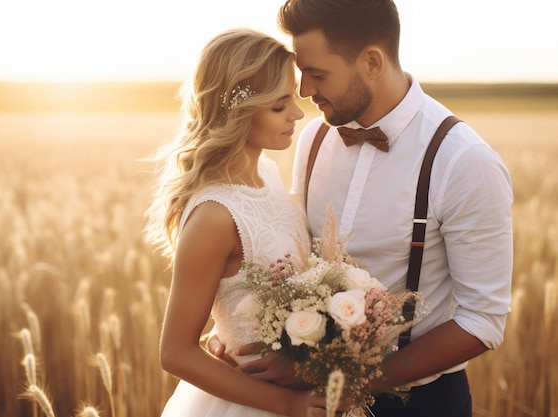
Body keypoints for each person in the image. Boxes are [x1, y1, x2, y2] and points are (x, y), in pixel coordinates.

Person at [210, 1, 514, 416]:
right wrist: (234, 331)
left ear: (371, 61)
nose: (304, 91)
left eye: (317, 74)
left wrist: (352, 380)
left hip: (420, 403)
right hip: (309, 399)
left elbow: (482, 320)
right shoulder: (312, 139)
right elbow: (294, 258)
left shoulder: (463, 161)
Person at [145, 28, 331, 417]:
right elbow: (175, 352)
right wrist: (290, 404)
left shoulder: (269, 175)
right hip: (253, 405)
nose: (298, 113)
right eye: (280, 105)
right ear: (238, 111)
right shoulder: (215, 215)